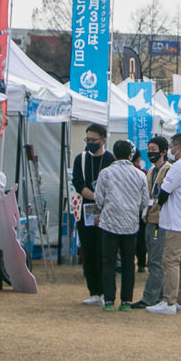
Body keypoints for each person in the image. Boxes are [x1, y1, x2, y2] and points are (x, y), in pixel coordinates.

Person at [147, 133, 181, 314]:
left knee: (169, 260)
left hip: (177, 222)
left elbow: (164, 191)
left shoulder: (179, 167)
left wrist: (158, 205)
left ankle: (169, 301)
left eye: (171, 147)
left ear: (177, 148)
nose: (170, 150)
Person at [94, 140, 149, 310]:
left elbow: (99, 199)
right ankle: (126, 301)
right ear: (130, 155)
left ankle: (109, 300)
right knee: (128, 263)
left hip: (109, 223)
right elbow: (145, 201)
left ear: (114, 154)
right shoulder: (139, 174)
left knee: (108, 262)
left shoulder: (106, 173)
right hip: (131, 224)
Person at [72, 123, 113, 305]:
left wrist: (101, 201)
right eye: (87, 140)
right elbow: (79, 184)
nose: (90, 143)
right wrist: (95, 197)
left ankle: (105, 292)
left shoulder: (110, 159)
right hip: (86, 211)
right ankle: (94, 291)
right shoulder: (80, 159)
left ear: (103, 140)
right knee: (88, 253)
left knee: (104, 252)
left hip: (107, 212)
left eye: (93, 140)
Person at [139, 137, 171, 307]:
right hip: (149, 218)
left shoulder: (168, 170)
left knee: (156, 261)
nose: (150, 152)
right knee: (151, 259)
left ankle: (151, 298)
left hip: (161, 221)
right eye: (149, 149)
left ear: (164, 151)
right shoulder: (151, 170)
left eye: (154, 149)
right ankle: (156, 295)